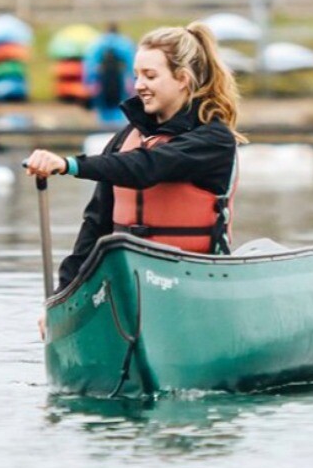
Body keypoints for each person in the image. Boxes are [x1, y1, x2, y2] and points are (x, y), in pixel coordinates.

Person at [25, 21, 245, 294]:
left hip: (199, 281)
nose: (139, 85)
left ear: (183, 79)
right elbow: (96, 224)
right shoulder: (125, 139)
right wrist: (64, 296)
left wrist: (69, 165)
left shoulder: (213, 140)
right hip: (131, 283)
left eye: (150, 76)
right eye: (137, 75)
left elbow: (146, 167)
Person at [83, 22, 135, 125]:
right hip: (119, 78)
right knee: (120, 105)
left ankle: (104, 125)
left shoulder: (97, 43)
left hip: (102, 78)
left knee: (103, 107)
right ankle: (117, 126)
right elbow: (131, 64)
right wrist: (133, 82)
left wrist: (89, 82)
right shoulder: (124, 43)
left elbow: (90, 65)